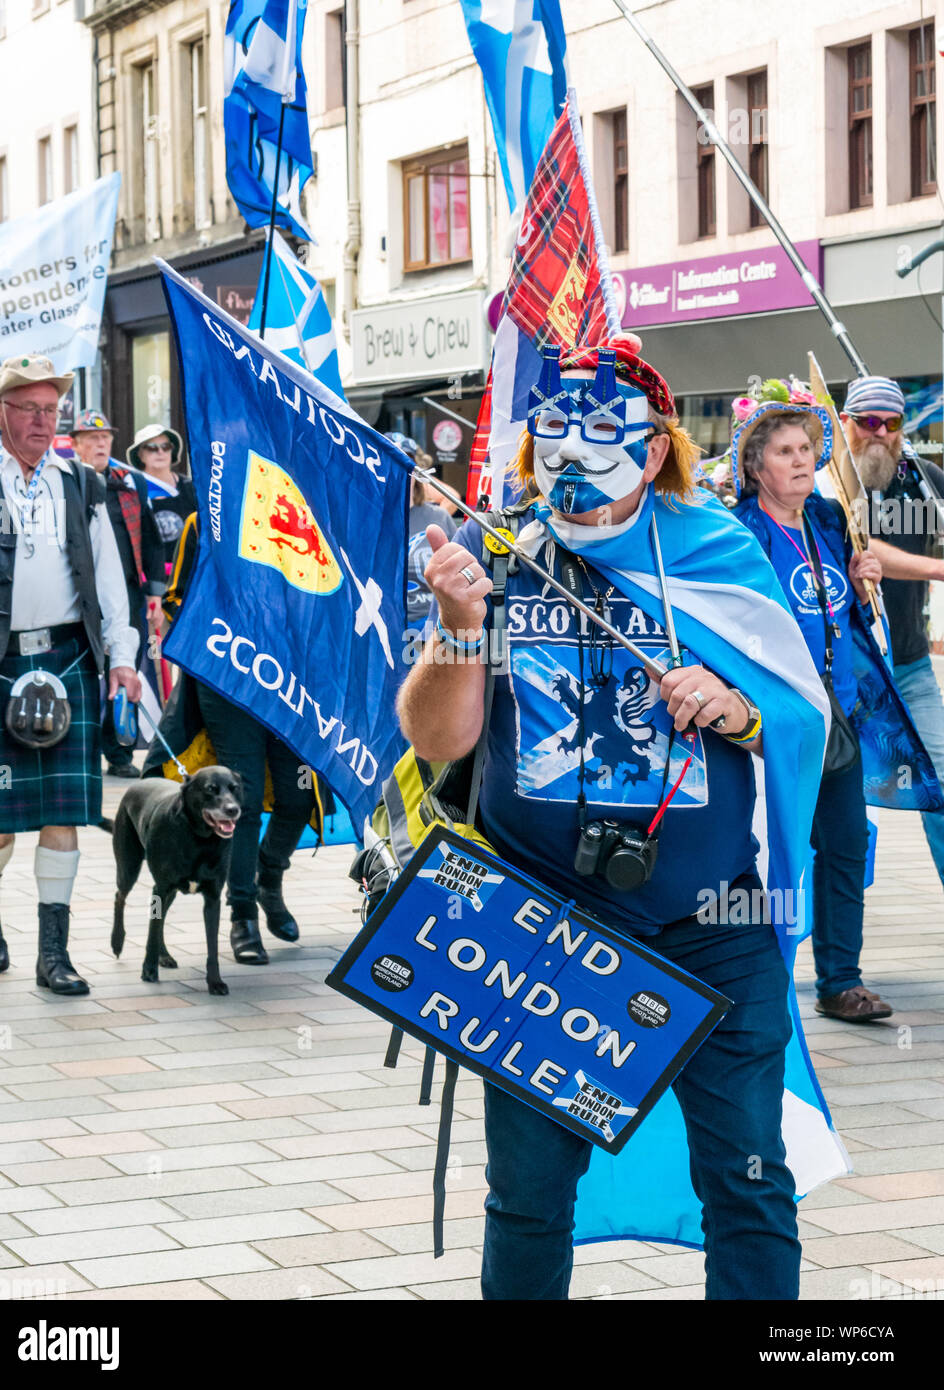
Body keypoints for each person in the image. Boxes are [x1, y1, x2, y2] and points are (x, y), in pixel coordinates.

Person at [397, 336, 833, 1301]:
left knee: (750, 1182)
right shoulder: (490, 556)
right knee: (526, 1196)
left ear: (656, 446)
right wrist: (461, 631)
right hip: (538, 930)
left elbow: (805, 716)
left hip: (714, 925)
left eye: (603, 430)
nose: (573, 450)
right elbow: (436, 740)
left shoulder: (719, 549)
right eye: (553, 426)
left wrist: (738, 707)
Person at [730, 380, 941, 1022]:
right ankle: (753, 978)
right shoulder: (739, 533)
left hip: (839, 713)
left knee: (845, 844)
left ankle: (839, 981)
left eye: (807, 448)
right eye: (786, 450)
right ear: (755, 465)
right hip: (773, 720)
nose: (801, 460)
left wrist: (862, 575)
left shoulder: (827, 519)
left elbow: (860, 563)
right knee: (766, 852)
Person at [0, 356, 141, 995]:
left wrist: (121, 658)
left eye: (52, 410)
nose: (44, 421)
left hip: (68, 660)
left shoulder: (82, 484)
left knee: (62, 812)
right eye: (30, 409)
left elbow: (110, 579)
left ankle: (54, 954)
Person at [142, 512, 324, 965]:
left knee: (300, 797)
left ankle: (269, 876)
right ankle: (242, 913)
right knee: (235, 803)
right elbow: (176, 600)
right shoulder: (205, 515)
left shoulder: (307, 510)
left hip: (295, 684)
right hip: (228, 680)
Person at [839, 375, 944, 894]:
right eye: (867, 421)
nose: (878, 432)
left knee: (943, 789)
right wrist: (937, 568)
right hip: (844, 677)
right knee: (839, 817)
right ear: (846, 424)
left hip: (911, 668)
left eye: (891, 422)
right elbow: (868, 552)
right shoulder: (827, 486)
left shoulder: (924, 479)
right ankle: (840, 971)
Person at [70, 410, 166, 778]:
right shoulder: (67, 482)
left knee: (124, 671)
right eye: (91, 438)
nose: (99, 444)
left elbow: (154, 540)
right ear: (76, 444)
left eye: (105, 438)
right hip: (80, 596)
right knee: (85, 673)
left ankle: (119, 755)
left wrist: (155, 594)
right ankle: (81, 750)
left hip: (128, 593)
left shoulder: (131, 482)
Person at [385, 433, 457, 643]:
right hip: (388, 630)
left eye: (406, 464)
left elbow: (458, 574)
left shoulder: (438, 517)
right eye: (390, 463)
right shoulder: (368, 520)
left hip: (434, 627)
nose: (399, 472)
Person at [126, 423, 197, 573]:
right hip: (146, 578)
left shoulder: (190, 488)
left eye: (166, 447)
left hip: (186, 576)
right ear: (140, 454)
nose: (160, 452)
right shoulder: (131, 490)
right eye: (152, 447)